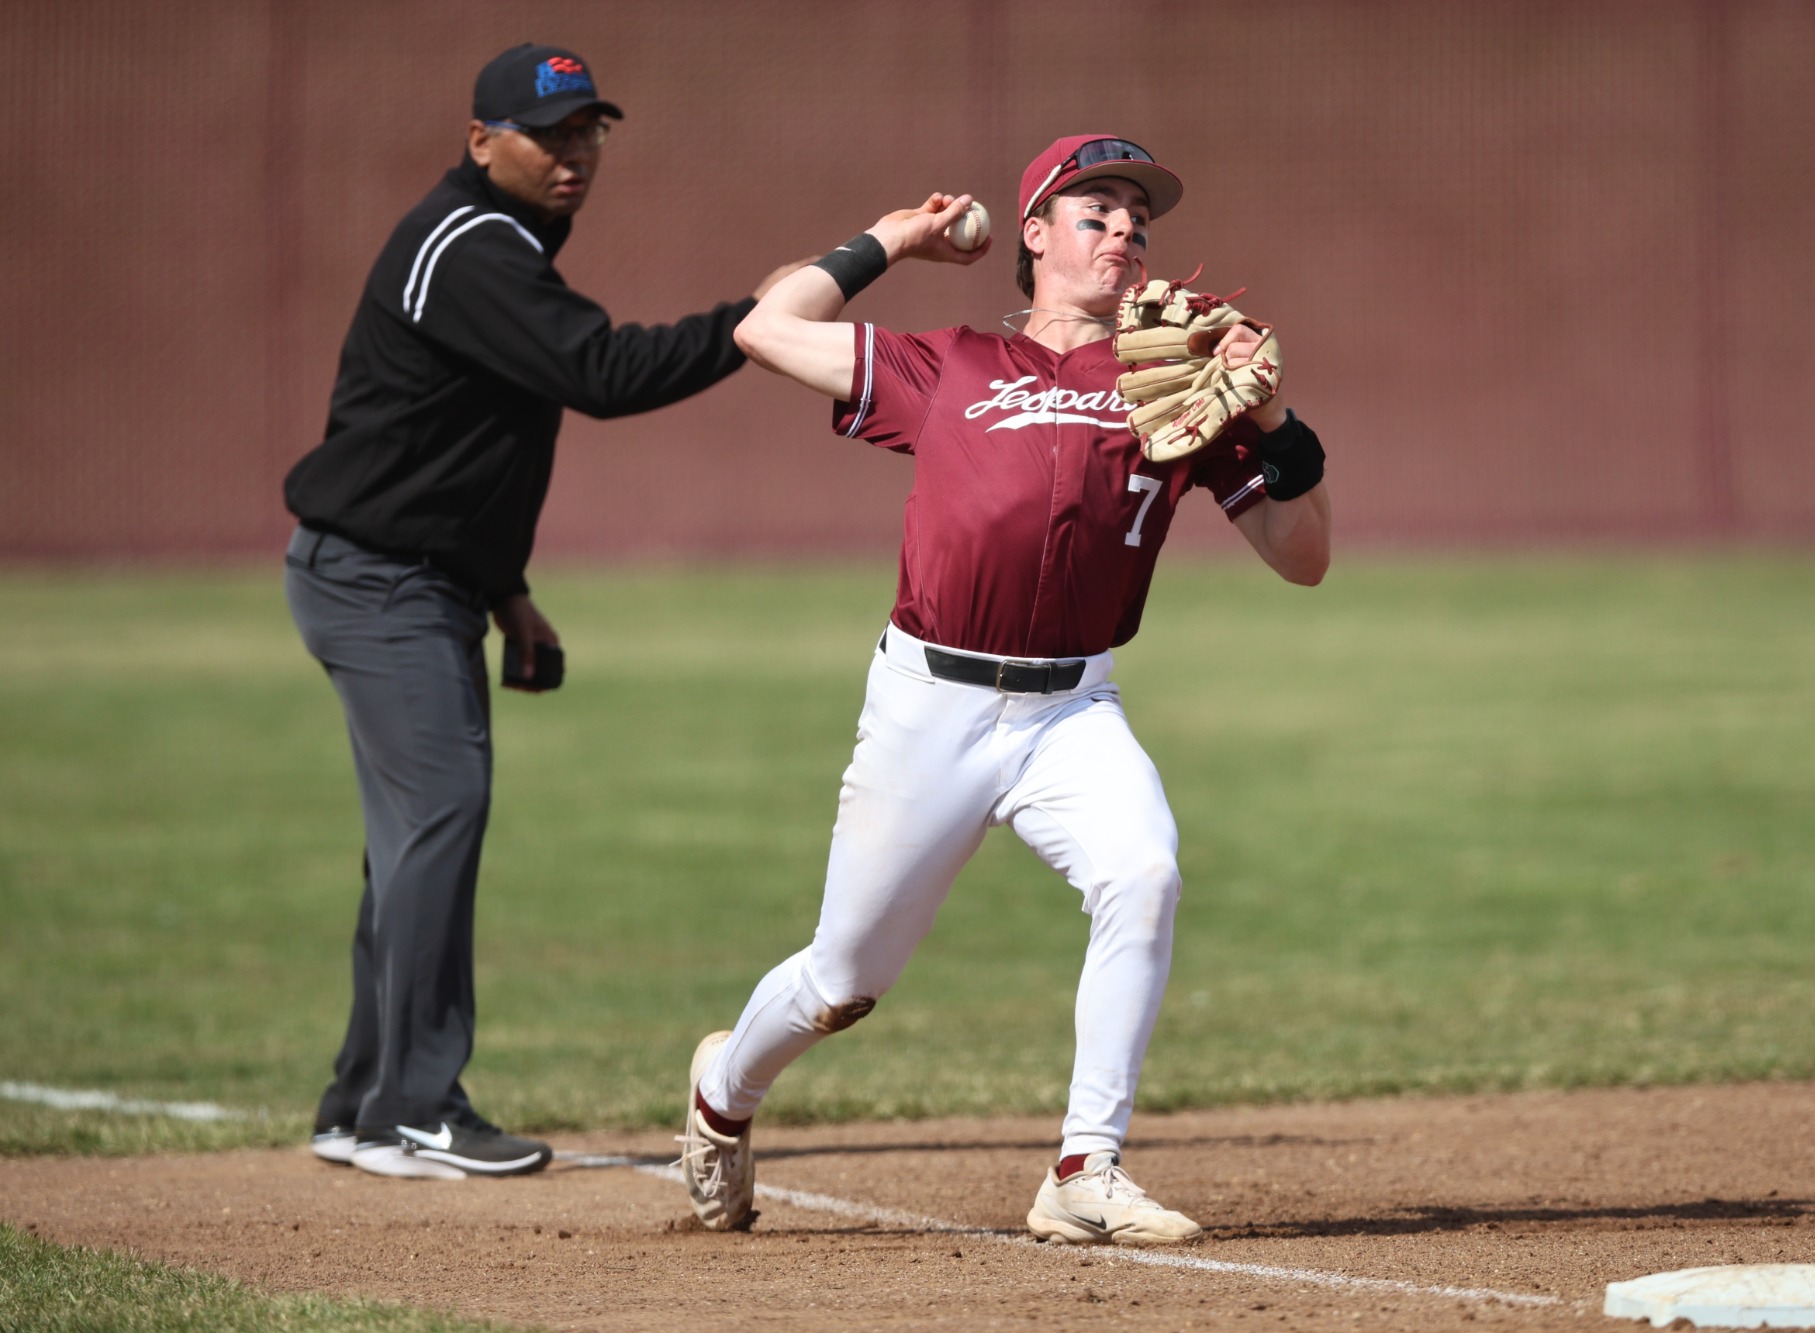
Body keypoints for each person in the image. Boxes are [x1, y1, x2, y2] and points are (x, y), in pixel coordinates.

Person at [676, 135, 1332, 1242]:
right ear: (1033, 235)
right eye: (1095, 212)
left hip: (1071, 709)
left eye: (1137, 219)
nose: (1123, 231)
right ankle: (720, 1095)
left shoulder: (1174, 382)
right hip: (927, 705)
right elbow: (763, 328)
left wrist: (1272, 423)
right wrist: (893, 237)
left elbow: (1300, 554)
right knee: (842, 978)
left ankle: (1085, 1170)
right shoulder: (953, 365)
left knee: (1144, 872)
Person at [283, 43, 803, 1180]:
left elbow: (446, 443)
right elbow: (606, 375)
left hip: (408, 575)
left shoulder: (493, 244)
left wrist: (506, 594)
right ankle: (416, 1106)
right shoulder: (472, 244)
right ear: (480, 142)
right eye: (548, 132)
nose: (574, 153)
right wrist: (761, 319)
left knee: (409, 843)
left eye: (588, 131)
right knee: (437, 822)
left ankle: (364, 1104)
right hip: (380, 581)